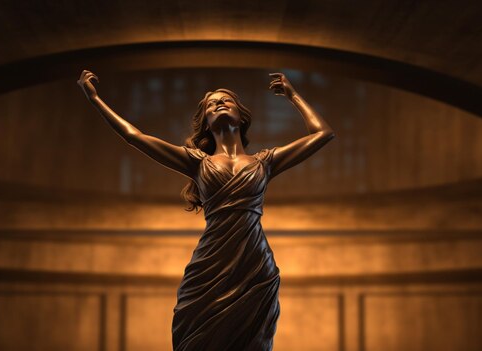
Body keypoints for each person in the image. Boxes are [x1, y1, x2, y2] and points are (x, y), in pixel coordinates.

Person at [77, 70, 335, 351]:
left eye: (227, 100)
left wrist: (293, 95)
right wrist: (95, 99)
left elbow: (323, 134)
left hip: (254, 265)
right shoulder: (197, 163)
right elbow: (134, 136)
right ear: (206, 123)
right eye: (212, 103)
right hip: (210, 265)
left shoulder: (265, 162)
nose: (219, 103)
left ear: (241, 117)